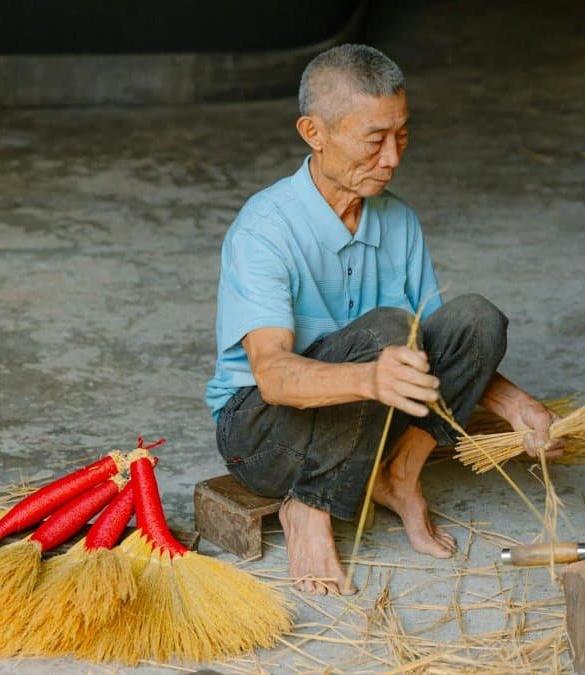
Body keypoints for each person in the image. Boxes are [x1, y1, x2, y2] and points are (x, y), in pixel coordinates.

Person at [206, 44, 563, 595]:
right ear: (314, 132)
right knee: (393, 332)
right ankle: (308, 506)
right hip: (264, 435)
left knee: (476, 319)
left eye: (402, 135)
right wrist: (373, 377)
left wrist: (517, 404)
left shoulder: (399, 221)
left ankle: (399, 475)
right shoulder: (265, 230)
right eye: (375, 140)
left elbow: (442, 349)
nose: (393, 158)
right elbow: (273, 376)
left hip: (365, 420)